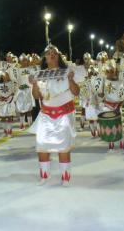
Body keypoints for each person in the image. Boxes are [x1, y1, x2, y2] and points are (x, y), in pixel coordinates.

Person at [29, 44, 80, 187]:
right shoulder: (40, 74)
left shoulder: (67, 71)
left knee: (63, 146)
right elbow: (37, 95)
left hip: (63, 114)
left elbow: (76, 92)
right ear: (44, 57)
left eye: (55, 53)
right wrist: (34, 84)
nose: (52, 55)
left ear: (59, 56)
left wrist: (70, 80)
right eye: (49, 53)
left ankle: (65, 178)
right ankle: (44, 175)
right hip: (46, 114)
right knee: (42, 145)